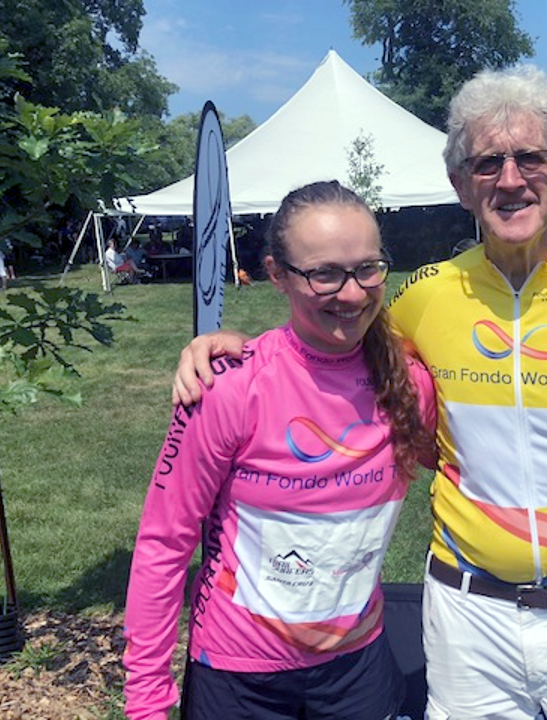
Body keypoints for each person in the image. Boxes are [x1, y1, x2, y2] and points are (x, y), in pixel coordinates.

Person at [173, 65, 547, 720]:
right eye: (487, 162)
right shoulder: (429, 293)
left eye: (529, 158)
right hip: (467, 619)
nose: (511, 179)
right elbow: (329, 343)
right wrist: (237, 348)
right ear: (460, 184)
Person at [123, 181, 439, 720]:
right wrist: (147, 701)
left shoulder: (409, 384)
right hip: (238, 675)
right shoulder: (228, 387)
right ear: (276, 274)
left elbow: (468, 469)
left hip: (357, 668)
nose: (353, 292)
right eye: (324, 274)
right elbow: (163, 544)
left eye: (368, 268)